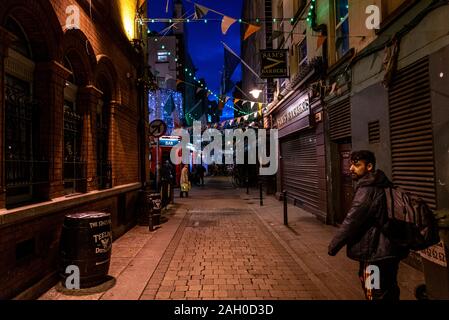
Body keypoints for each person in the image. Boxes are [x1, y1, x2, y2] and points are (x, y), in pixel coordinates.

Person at [328, 150, 409, 300]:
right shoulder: (382, 182)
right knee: (389, 290)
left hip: (374, 254)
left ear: (369, 166)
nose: (351, 168)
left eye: (356, 165)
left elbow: (352, 221)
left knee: (375, 292)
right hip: (390, 251)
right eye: (350, 164)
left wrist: (334, 245)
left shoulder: (367, 189)